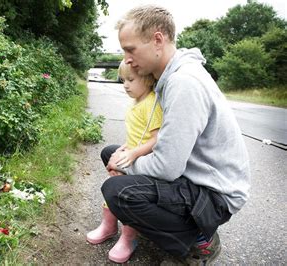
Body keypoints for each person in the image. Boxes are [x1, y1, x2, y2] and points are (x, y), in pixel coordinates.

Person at [101, 5, 251, 264]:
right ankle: (167, 227)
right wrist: (126, 156)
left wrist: (125, 166)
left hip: (214, 195)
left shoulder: (184, 83)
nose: (126, 59)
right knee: (111, 153)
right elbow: (162, 145)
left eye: (130, 49)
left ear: (158, 39)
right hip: (192, 178)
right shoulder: (170, 79)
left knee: (117, 190)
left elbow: (166, 167)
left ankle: (199, 242)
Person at [86, 60, 163, 263]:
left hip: (145, 161)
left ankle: (129, 238)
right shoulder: (136, 102)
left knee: (127, 196)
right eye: (123, 80)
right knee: (112, 185)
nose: (126, 85)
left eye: (131, 79)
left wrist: (135, 153)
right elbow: (137, 134)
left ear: (147, 79)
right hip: (133, 154)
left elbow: (156, 139)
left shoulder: (152, 104)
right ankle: (109, 226)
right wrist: (123, 148)